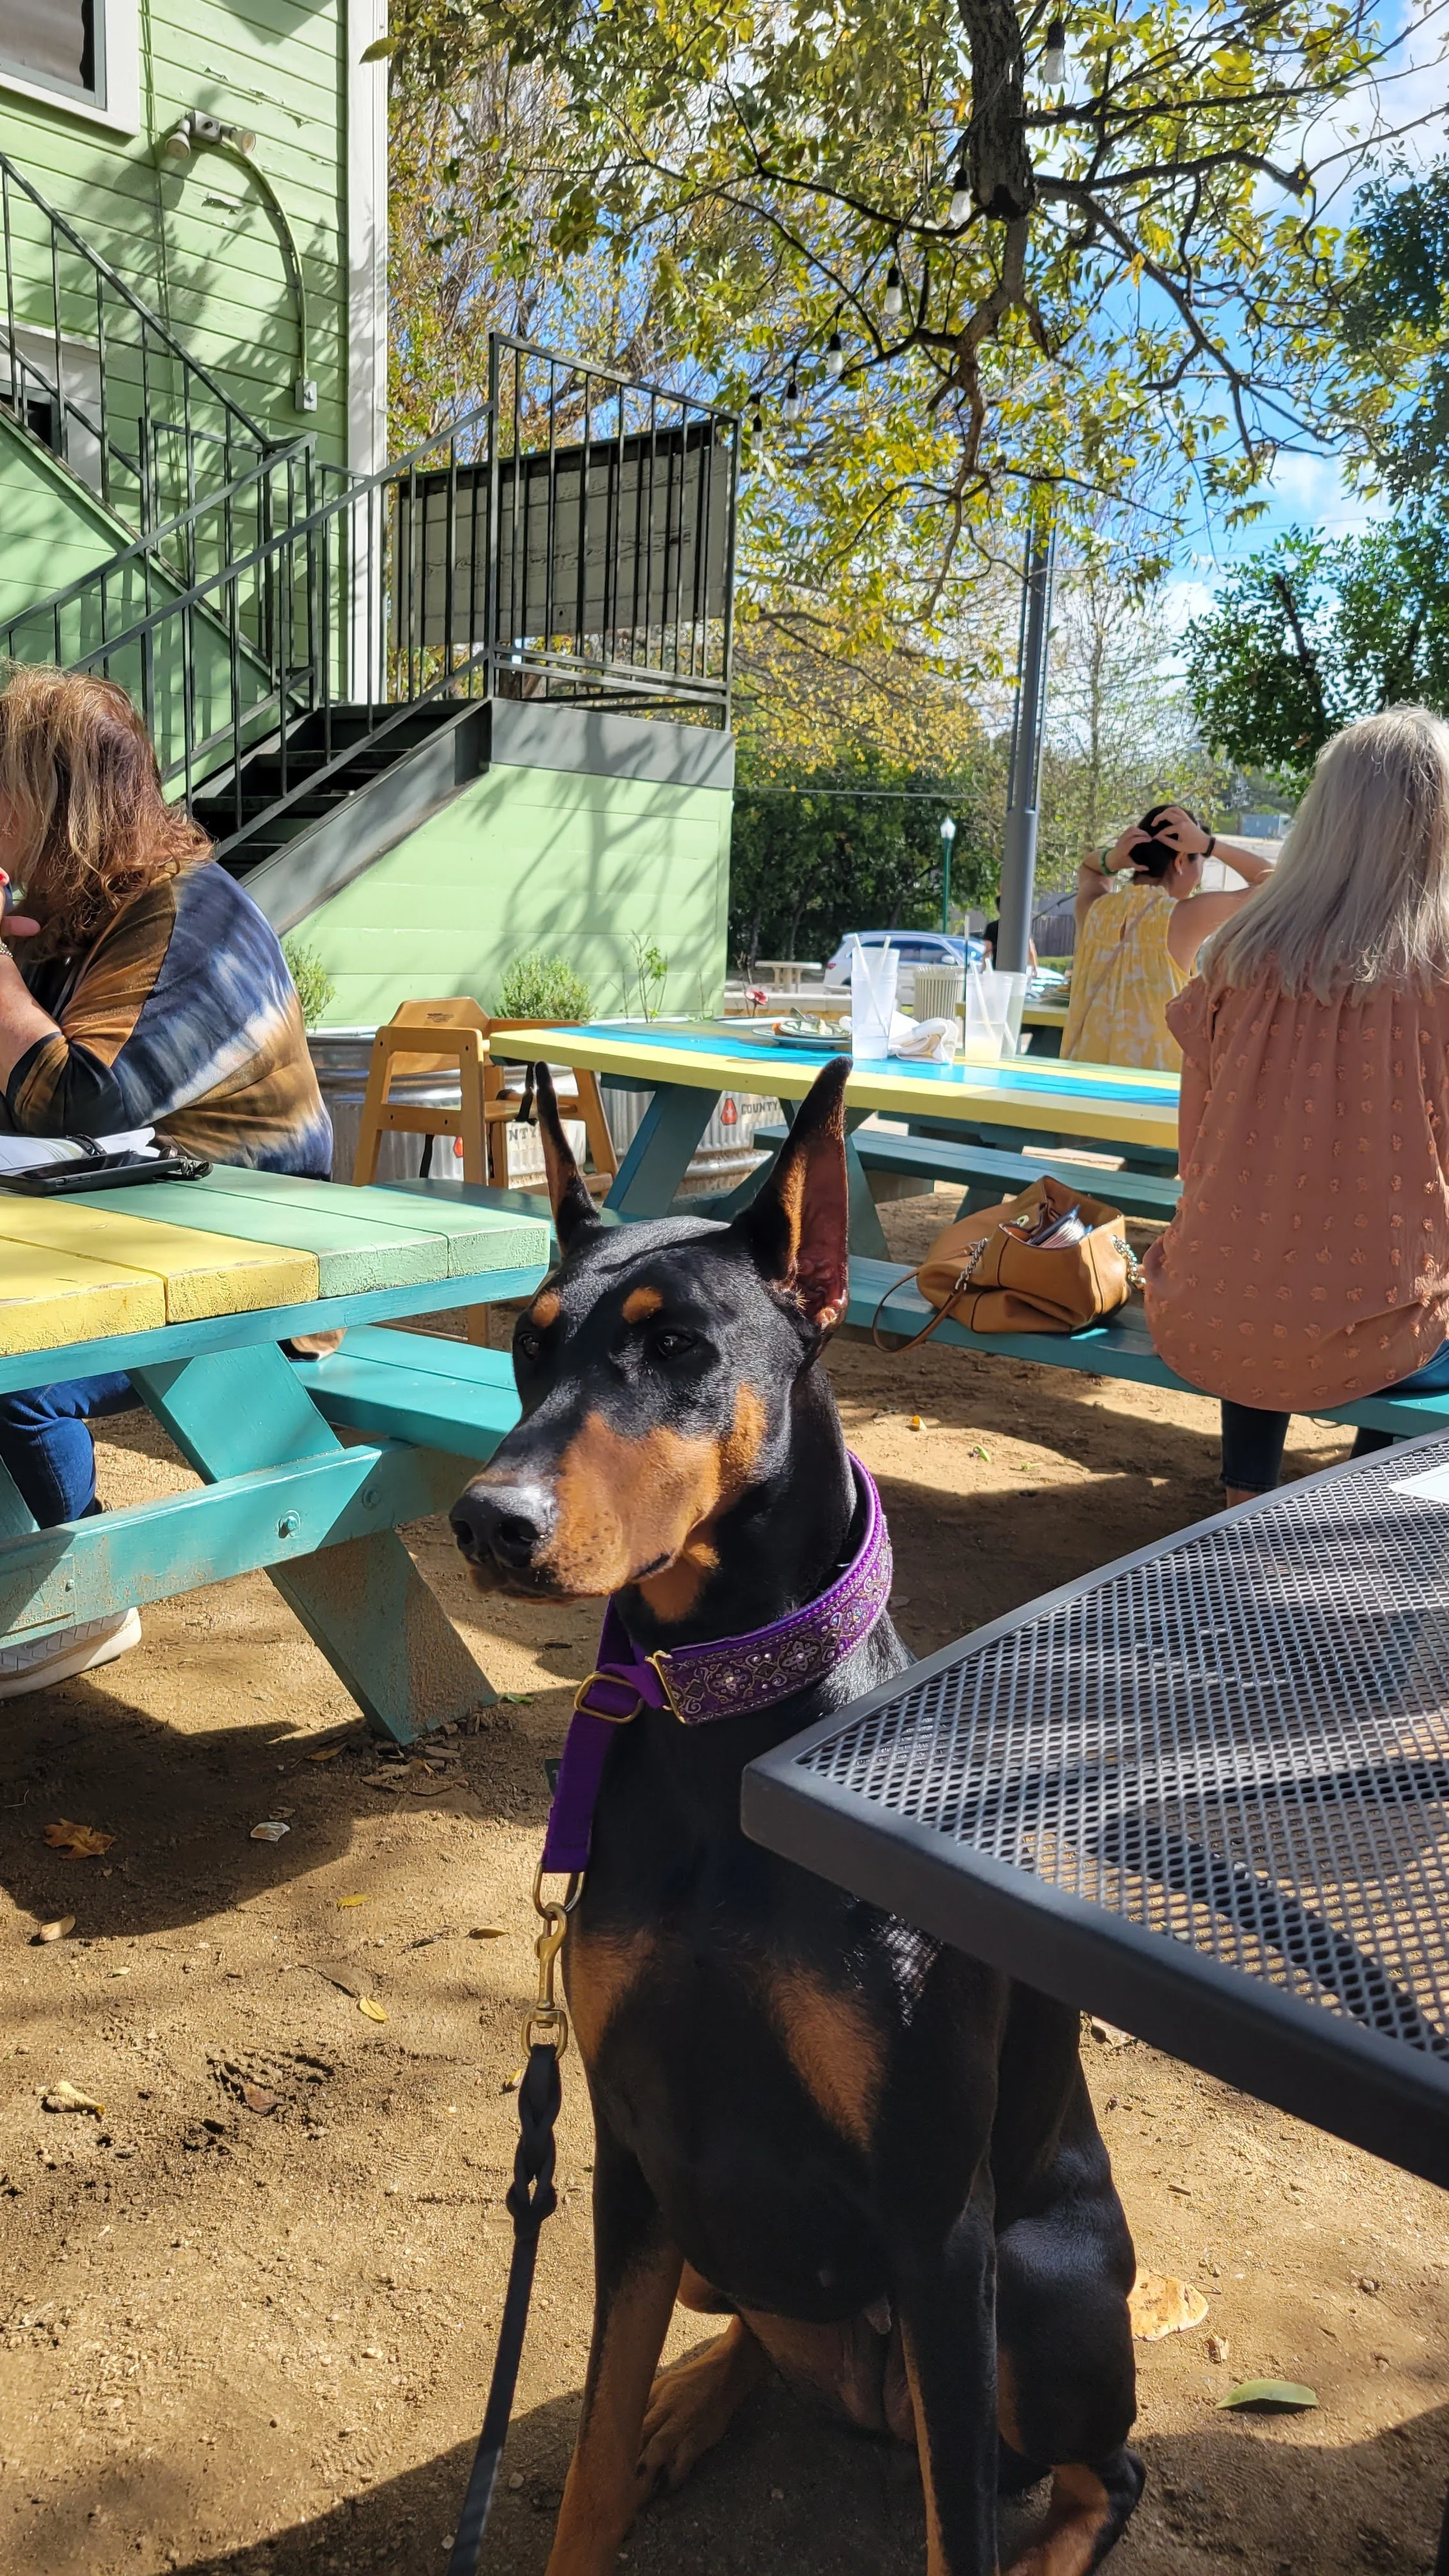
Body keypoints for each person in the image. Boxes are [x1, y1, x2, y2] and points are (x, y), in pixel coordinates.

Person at [0, 665, 333, 1696]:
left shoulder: (192, 920)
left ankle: (83, 1589)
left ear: (55, 803)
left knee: (16, 1367)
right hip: (144, 1242)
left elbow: (76, 1097)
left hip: (259, 1272)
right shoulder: (80, 930)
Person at [1143, 708, 1449, 1504]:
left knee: (1258, 1242)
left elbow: (1196, 1153)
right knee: (1391, 1272)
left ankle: (1247, 1485)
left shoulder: (1235, 958)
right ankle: (1371, 1478)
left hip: (1209, 1310)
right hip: (1391, 1334)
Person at [1062, 806, 1273, 1070]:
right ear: (1181, 860)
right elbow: (1274, 884)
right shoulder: (1183, 916)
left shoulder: (1094, 909)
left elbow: (1091, 870)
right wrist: (1210, 845)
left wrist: (1113, 859)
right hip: (1152, 1093)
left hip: (1079, 1084)